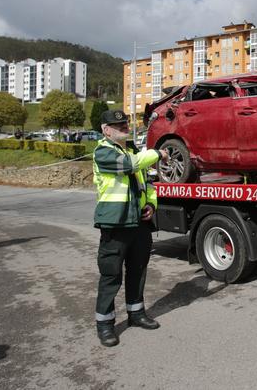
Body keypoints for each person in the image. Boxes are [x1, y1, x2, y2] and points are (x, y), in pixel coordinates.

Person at [93, 110, 169, 347]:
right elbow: (128, 166)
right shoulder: (103, 151)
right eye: (118, 125)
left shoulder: (133, 152)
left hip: (139, 223)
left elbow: (148, 184)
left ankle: (136, 313)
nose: (125, 127)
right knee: (111, 275)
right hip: (115, 223)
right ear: (106, 130)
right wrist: (156, 153)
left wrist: (151, 205)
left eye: (125, 123)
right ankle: (105, 325)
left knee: (138, 271)